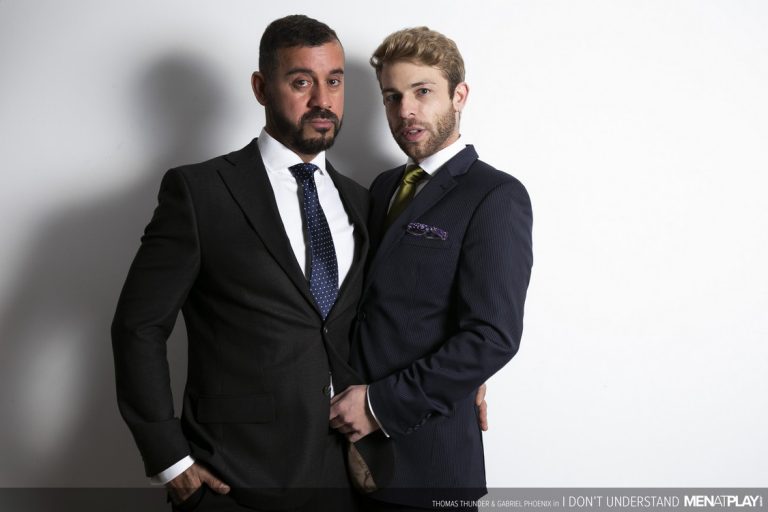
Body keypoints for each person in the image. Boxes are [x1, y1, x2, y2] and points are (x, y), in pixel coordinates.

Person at [112, 15, 368, 511]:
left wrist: (465, 382)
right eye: (302, 82)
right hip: (232, 477)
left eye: (334, 82)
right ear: (261, 88)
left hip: (343, 476)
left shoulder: (361, 201)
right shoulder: (200, 192)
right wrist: (171, 460)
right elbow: (138, 327)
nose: (323, 100)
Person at [329, 27, 533, 511]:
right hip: (346, 458)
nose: (405, 111)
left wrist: (379, 406)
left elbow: (492, 336)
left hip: (430, 461)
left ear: (459, 96)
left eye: (422, 91)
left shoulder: (495, 195)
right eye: (392, 97)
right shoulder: (381, 188)